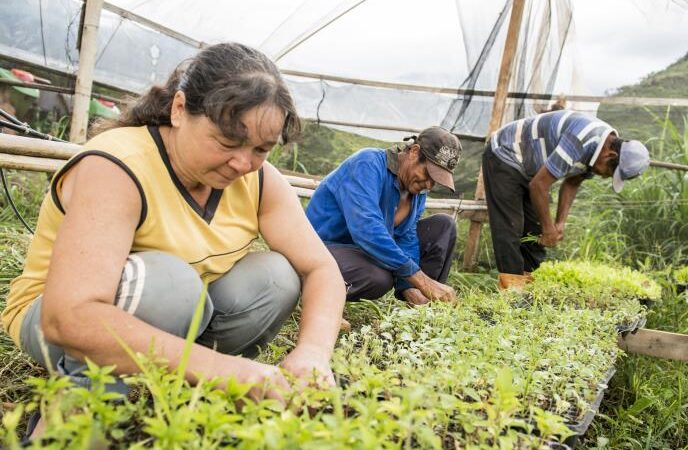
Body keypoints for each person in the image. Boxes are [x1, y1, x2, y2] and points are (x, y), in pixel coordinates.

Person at [1, 43, 346, 405]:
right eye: (228, 141)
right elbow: (68, 316)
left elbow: (322, 268)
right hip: (55, 320)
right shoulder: (119, 165)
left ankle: (183, 384)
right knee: (169, 284)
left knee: (276, 276)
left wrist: (313, 352)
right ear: (179, 109)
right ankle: (81, 414)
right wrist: (226, 370)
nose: (243, 163)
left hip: (175, 315)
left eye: (261, 149)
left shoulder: (260, 181)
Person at [483, 109, 650, 288]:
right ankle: (512, 294)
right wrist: (549, 229)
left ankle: (529, 289)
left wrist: (559, 223)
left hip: (532, 171)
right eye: (609, 172)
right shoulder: (581, 139)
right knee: (511, 228)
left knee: (533, 231)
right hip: (505, 154)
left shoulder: (600, 149)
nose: (604, 176)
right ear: (610, 155)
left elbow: (572, 183)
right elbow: (539, 186)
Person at [306, 126, 461, 308]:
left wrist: (410, 288)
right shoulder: (367, 164)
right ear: (414, 152)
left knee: (443, 226)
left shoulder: (418, 191)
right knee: (379, 277)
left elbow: (406, 238)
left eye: (436, 181)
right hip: (319, 251)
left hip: (364, 255)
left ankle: (424, 304)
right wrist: (421, 279)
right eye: (428, 173)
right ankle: (313, 296)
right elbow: (367, 230)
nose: (429, 184)